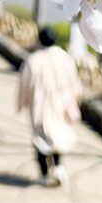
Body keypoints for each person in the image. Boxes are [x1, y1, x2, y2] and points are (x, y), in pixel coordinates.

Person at [17, 28, 82, 187]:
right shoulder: (64, 57)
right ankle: (58, 167)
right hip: (60, 104)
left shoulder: (33, 60)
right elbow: (74, 80)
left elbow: (24, 84)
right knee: (56, 135)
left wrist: (22, 102)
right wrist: (74, 98)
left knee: (40, 139)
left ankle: (45, 173)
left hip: (40, 105)